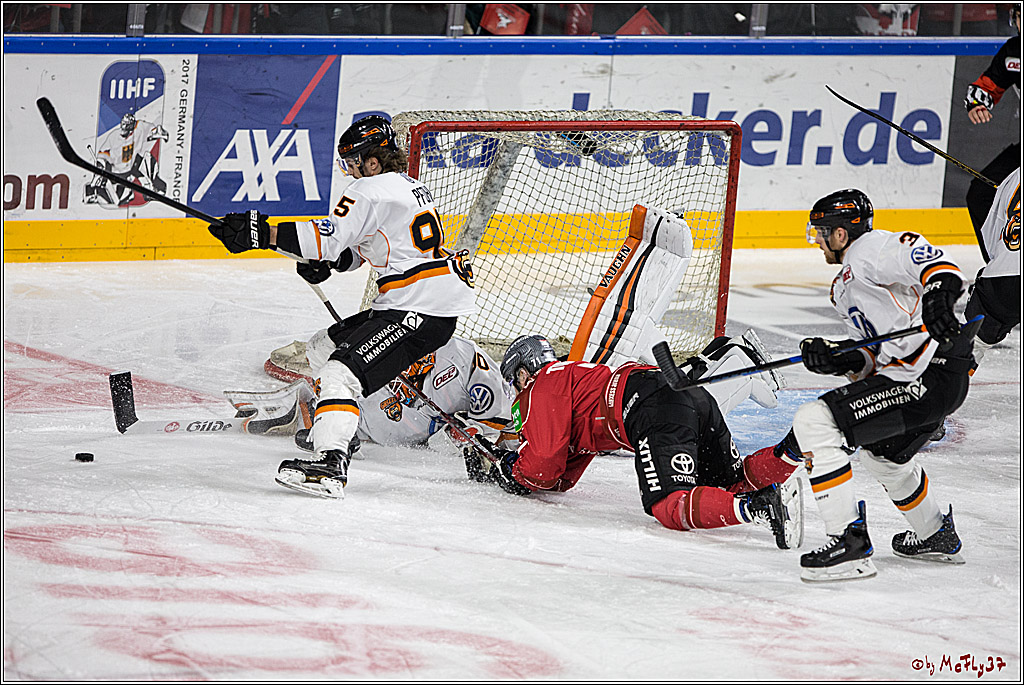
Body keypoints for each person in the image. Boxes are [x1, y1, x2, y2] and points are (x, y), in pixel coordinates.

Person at [207, 115, 477, 498]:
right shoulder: (408, 186)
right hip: (419, 304)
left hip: (417, 308)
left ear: (372, 161)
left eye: (353, 162)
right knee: (322, 348)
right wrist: (328, 264)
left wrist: (262, 232)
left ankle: (330, 463)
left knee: (339, 373)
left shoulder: (369, 190)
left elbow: (327, 238)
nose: (350, 171)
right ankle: (341, 429)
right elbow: (356, 252)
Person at [464, 334, 805, 550]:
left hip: (652, 409)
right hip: (691, 399)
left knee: (669, 505)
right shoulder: (571, 381)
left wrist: (512, 471)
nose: (517, 389)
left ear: (524, 372)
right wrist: (516, 468)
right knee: (729, 482)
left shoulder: (542, 386)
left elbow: (543, 463)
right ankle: (793, 449)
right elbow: (560, 476)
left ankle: (759, 507)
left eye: (516, 381)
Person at [794, 188, 974, 583]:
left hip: (928, 374)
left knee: (815, 422)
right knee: (883, 456)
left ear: (840, 234)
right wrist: (839, 359)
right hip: (928, 380)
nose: (818, 241)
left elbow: (933, 262)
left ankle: (848, 546)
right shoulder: (843, 287)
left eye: (820, 232)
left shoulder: (870, 250)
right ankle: (934, 533)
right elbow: (877, 356)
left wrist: (940, 296)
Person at [227, 336, 517, 450]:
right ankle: (316, 411)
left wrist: (457, 434)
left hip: (435, 433)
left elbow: (497, 421)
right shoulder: (387, 349)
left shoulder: (463, 359)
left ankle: (319, 415)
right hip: (384, 421)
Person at [964, 6, 1020, 250]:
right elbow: (987, 85)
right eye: (1019, 16)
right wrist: (978, 103)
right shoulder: (1014, 51)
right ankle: (999, 266)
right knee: (981, 194)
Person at [964, 167, 1021, 365]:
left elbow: (992, 238)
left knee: (970, 345)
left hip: (1005, 277)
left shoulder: (1013, 177)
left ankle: (937, 392)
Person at [86, 111, 169, 206]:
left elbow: (154, 129)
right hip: (117, 172)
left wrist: (160, 133)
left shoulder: (140, 127)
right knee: (115, 197)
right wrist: (101, 166)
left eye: (127, 126)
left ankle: (155, 189)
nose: (124, 129)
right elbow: (102, 155)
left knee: (147, 158)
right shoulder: (113, 136)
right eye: (123, 125)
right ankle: (94, 193)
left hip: (133, 167)